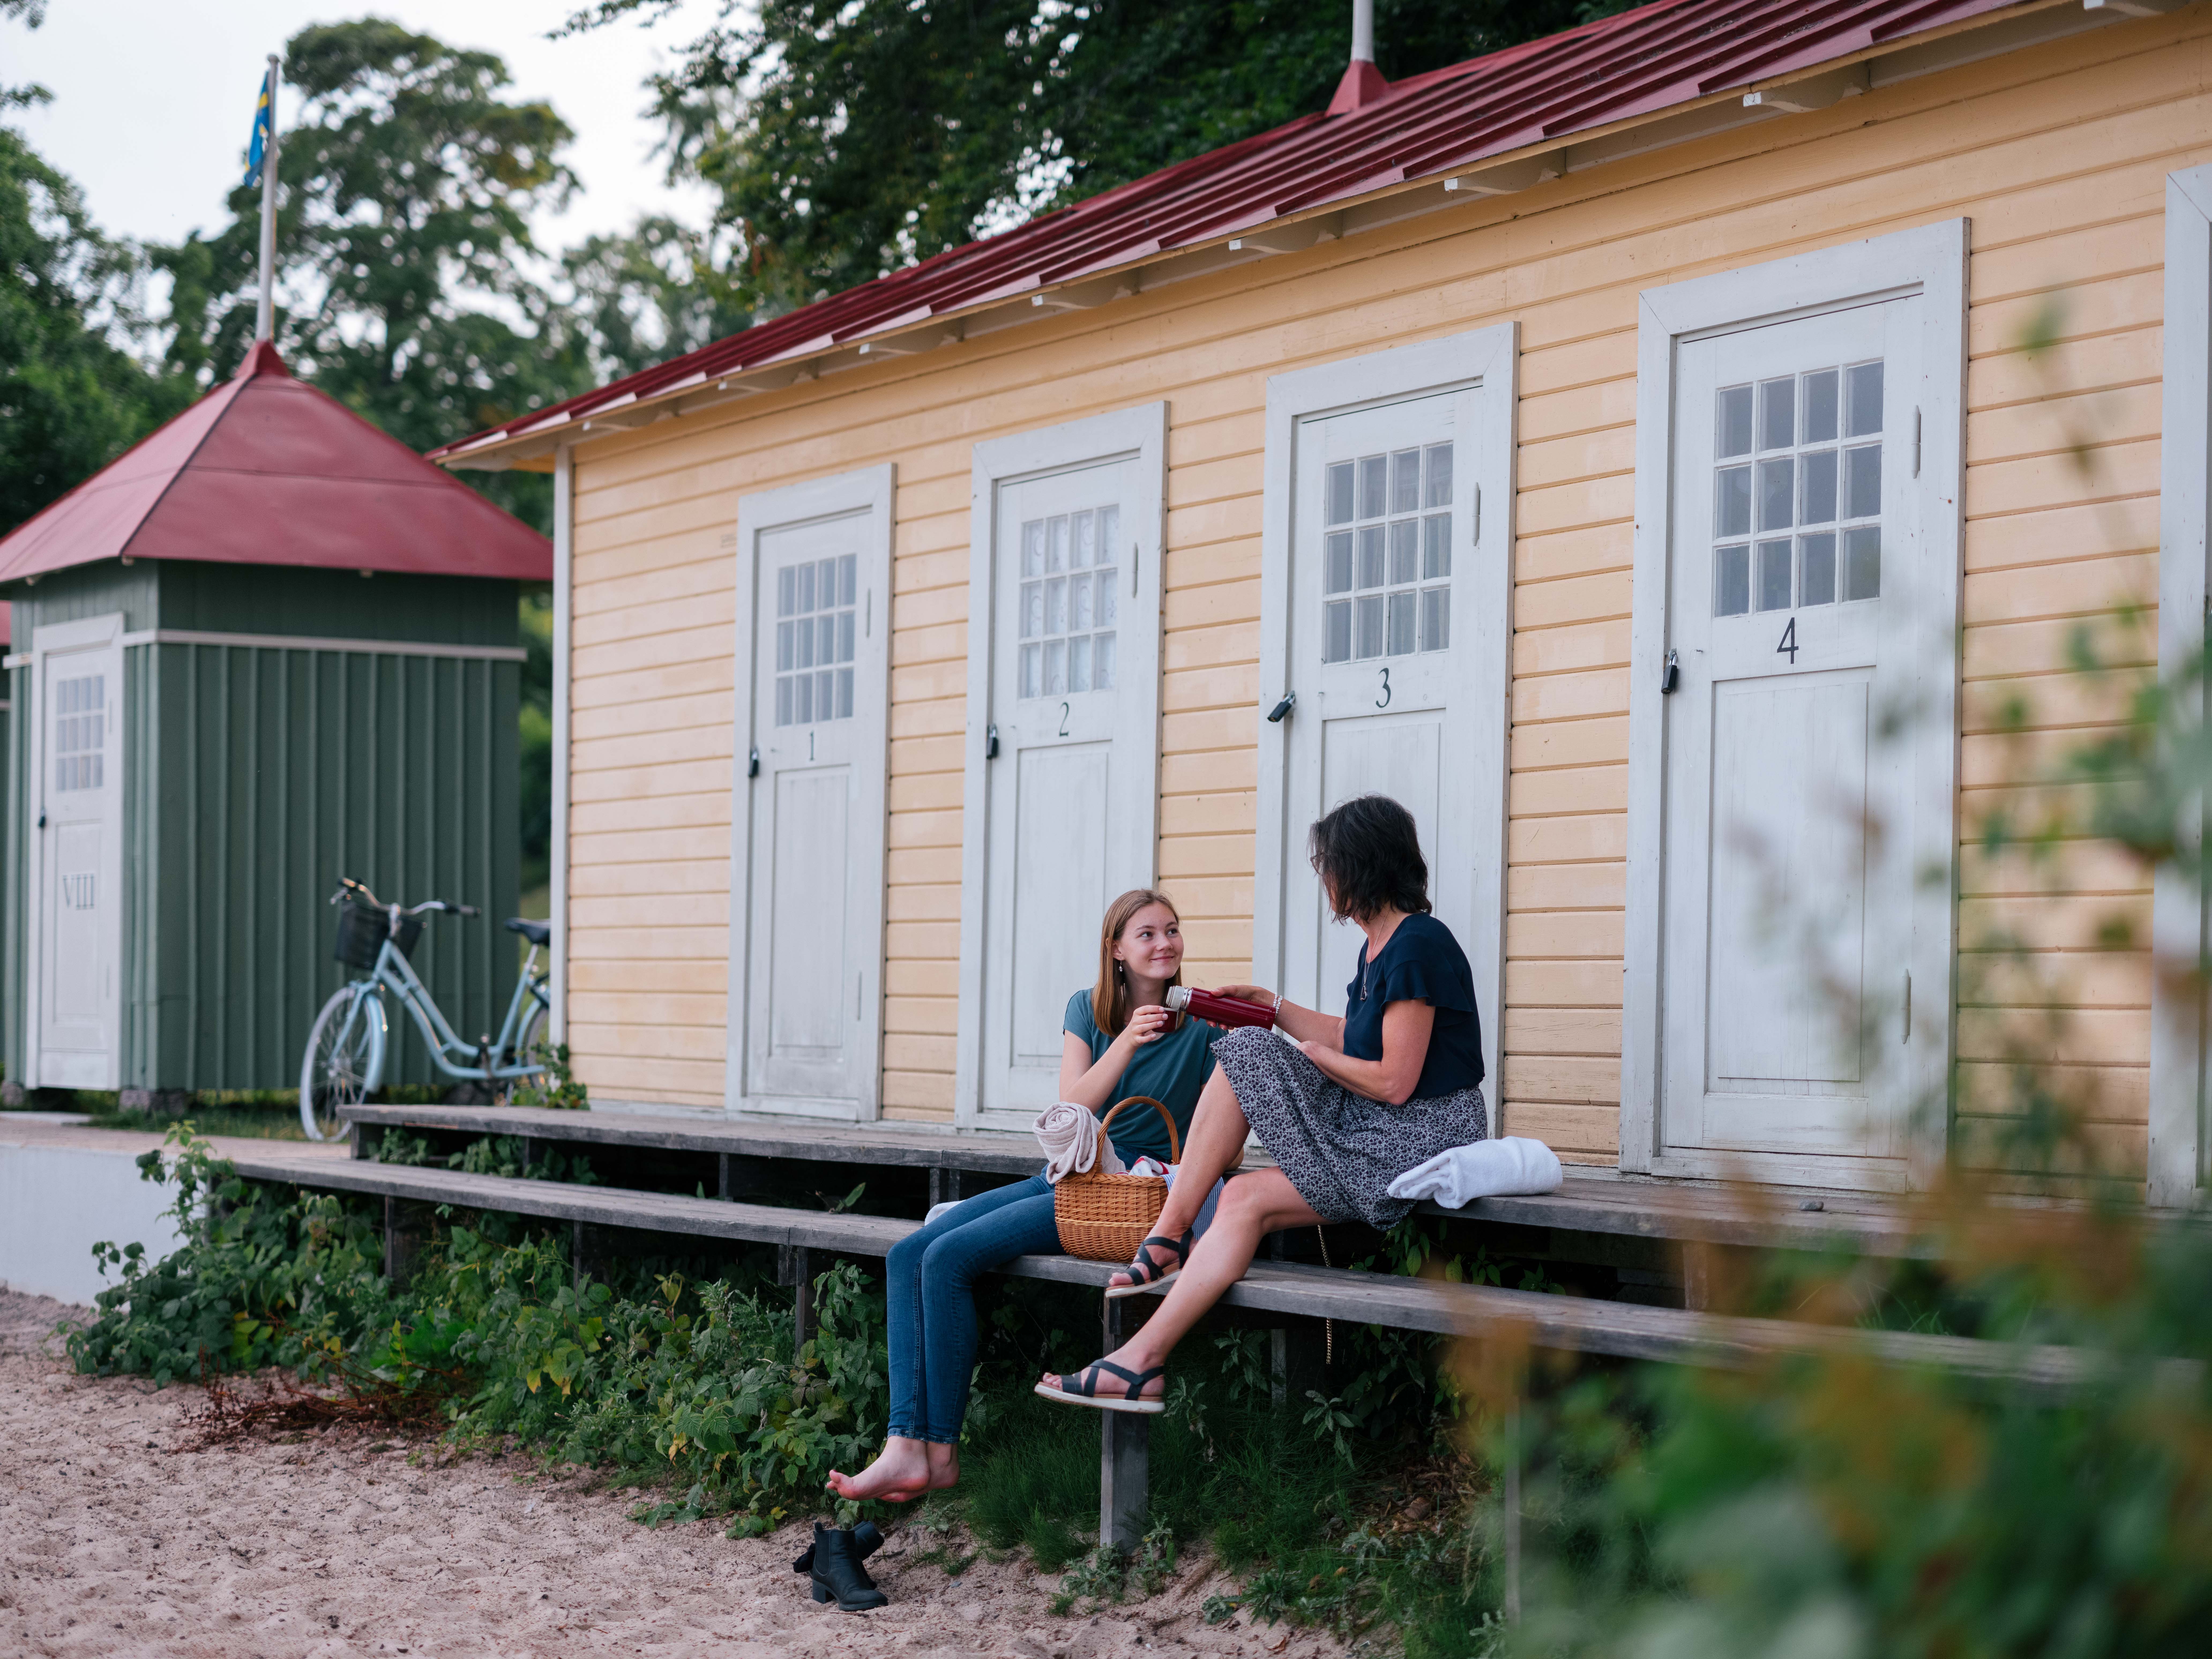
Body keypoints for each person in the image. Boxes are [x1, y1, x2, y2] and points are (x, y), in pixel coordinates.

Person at [1036, 794, 1488, 1414]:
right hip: (1379, 1127)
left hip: (1420, 1133)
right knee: (1242, 1195)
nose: (1324, 879)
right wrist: (1273, 1009)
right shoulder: (1380, 947)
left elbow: (1393, 1082)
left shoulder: (1418, 945)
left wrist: (1307, 1056)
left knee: (1248, 1051)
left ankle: (1167, 1234)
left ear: (1360, 867)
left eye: (1328, 865)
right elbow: (1352, 1037)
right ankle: (1139, 1363)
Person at [827, 888, 1223, 1501]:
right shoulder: (1086, 1009)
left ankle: (939, 1451)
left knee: (947, 1258)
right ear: (1117, 950)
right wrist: (1126, 1042)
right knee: (907, 1254)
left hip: (1127, 1196)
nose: (1165, 943)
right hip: (1072, 1177)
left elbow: (1215, 1135)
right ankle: (906, 1445)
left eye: (1171, 930)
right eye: (1147, 934)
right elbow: (1072, 1107)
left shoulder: (1202, 1025)